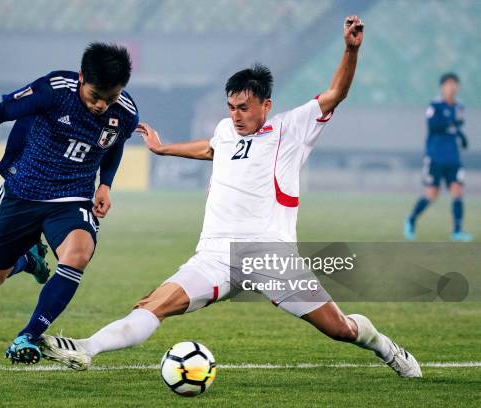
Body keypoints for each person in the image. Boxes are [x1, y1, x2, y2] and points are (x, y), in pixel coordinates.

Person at [41, 17, 422, 378]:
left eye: (244, 108)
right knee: (153, 304)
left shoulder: (290, 128)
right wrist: (163, 149)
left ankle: (386, 347)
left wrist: (351, 50)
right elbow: (211, 148)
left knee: (339, 329)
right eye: (231, 107)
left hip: (271, 254)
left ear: (265, 105)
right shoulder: (226, 131)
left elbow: (336, 93)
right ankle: (85, 347)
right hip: (214, 255)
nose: (236, 115)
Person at [0, 43, 139, 364]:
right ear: (80, 79)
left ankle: (29, 335)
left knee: (78, 254)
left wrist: (105, 184)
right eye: (95, 96)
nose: (102, 105)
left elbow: (113, 143)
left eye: (111, 97)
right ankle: (28, 260)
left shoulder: (125, 113)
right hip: (23, 192)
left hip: (72, 197)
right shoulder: (53, 90)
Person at [404, 73, 472, 241]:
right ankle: (411, 220)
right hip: (435, 156)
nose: (452, 87)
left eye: (454, 84)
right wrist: (452, 123)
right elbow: (433, 126)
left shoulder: (459, 107)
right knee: (432, 194)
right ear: (442, 87)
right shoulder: (435, 105)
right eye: (448, 84)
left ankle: (457, 231)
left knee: (457, 191)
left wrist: (461, 137)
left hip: (453, 158)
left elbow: (456, 127)